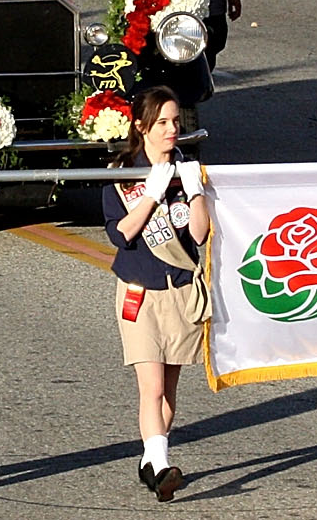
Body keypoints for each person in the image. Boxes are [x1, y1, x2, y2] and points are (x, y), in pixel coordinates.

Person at [103, 87, 210, 504]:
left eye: (175, 122)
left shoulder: (185, 170)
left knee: (169, 392)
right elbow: (122, 233)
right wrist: (150, 194)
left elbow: (198, 234)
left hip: (180, 292)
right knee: (149, 387)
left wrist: (196, 191)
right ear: (141, 126)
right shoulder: (122, 171)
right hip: (139, 293)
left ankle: (152, 461)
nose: (171, 130)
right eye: (162, 122)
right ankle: (162, 465)